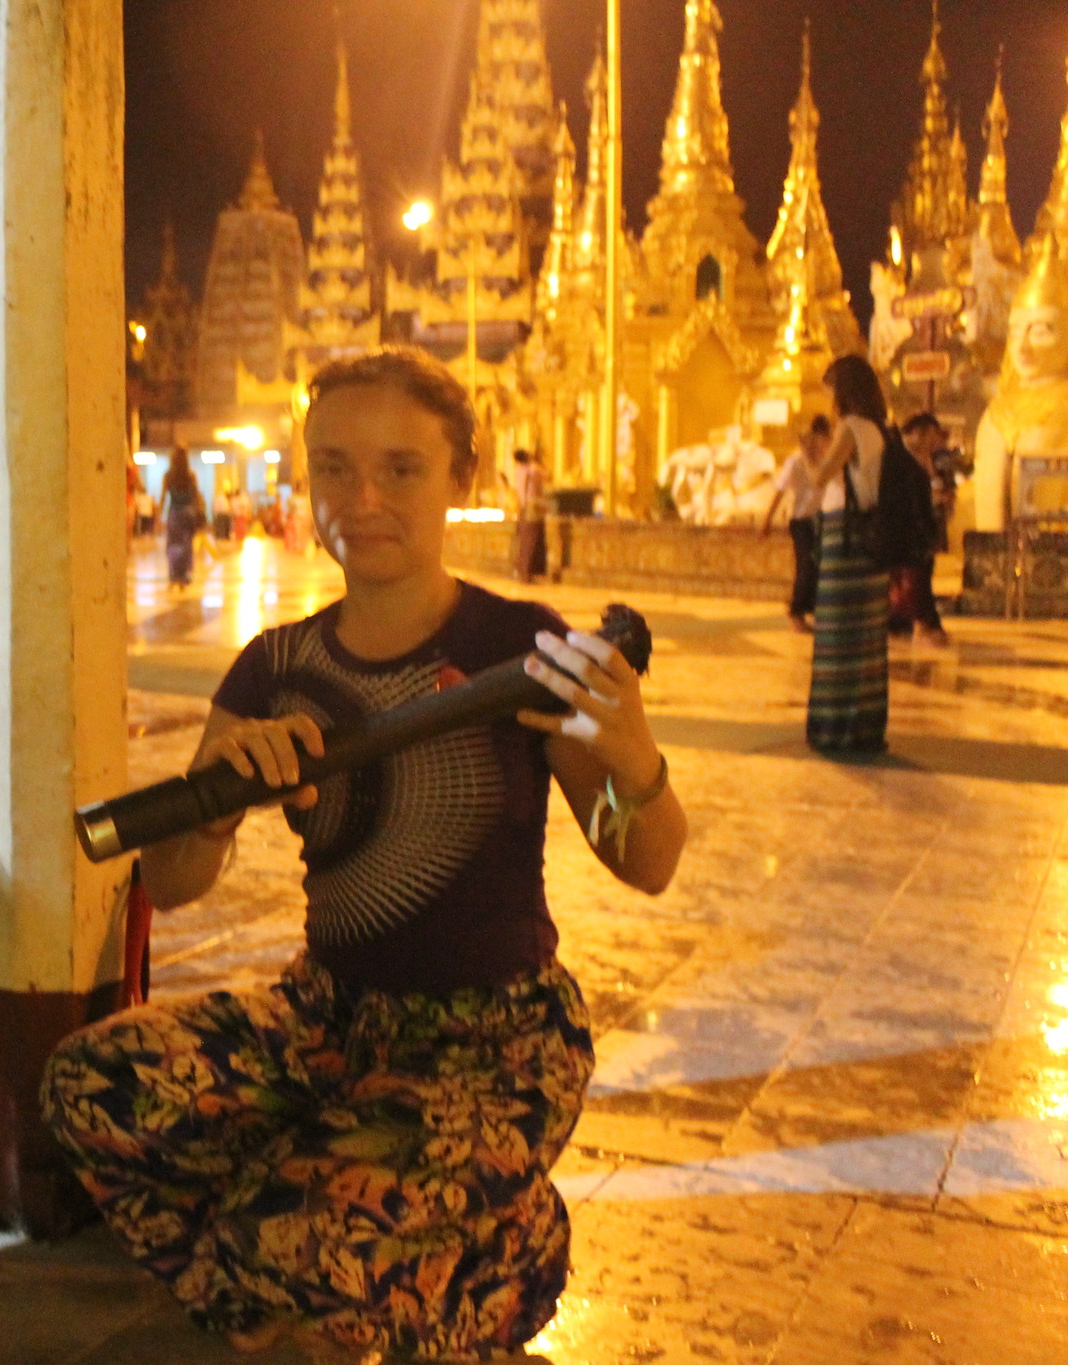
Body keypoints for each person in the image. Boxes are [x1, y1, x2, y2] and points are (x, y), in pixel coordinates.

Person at [42, 346, 687, 1361]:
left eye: (400, 468)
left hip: (495, 1041)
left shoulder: (518, 645)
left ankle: (467, 1253)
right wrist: (215, 807)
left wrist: (631, 756)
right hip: (324, 1017)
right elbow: (168, 881)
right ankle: (451, 1251)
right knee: (91, 1088)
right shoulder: (274, 668)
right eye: (333, 466)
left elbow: (645, 861)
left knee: (288, 1241)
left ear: (458, 481)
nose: (362, 497)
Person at [804, 355, 891, 754]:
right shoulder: (877, 428)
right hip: (872, 541)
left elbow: (821, 477)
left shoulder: (852, 427)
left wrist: (807, 453)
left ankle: (835, 728)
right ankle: (864, 724)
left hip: (846, 537)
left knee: (837, 636)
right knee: (866, 639)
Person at [762, 416, 829, 633]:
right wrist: (767, 520)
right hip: (801, 520)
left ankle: (810, 610)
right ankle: (796, 612)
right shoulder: (795, 462)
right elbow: (779, 491)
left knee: (818, 567)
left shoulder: (825, 460)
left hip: (821, 519)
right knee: (806, 567)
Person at [891, 415, 951, 646]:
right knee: (912, 577)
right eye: (933, 438)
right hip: (905, 528)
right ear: (919, 432)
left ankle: (920, 624)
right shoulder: (898, 455)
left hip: (920, 528)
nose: (935, 445)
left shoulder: (921, 458)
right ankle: (921, 625)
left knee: (919, 575)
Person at [161, 447, 202, 589]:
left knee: (173, 545)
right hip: (188, 513)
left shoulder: (168, 476)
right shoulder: (191, 476)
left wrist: (159, 517)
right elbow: (196, 497)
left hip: (174, 513)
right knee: (186, 545)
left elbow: (163, 498)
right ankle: (183, 576)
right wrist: (199, 514)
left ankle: (173, 576)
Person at [510, 448, 548, 582]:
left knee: (524, 539)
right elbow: (547, 475)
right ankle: (527, 573)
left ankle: (521, 570)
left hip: (523, 506)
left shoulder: (518, 471)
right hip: (533, 506)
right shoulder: (533, 469)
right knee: (532, 539)